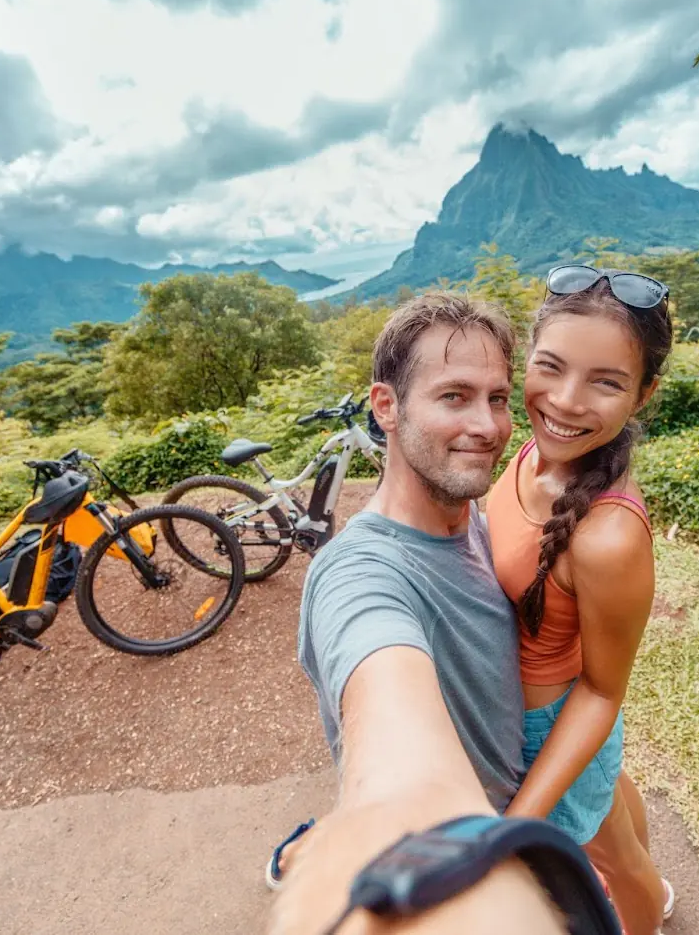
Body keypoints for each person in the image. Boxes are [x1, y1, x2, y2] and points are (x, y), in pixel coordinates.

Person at [268, 292, 570, 935]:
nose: (488, 426)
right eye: (454, 396)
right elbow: (400, 761)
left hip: (511, 803)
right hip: (477, 835)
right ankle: (317, 847)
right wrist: (415, 840)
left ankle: (305, 846)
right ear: (387, 407)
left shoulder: (484, 526)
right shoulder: (359, 574)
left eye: (496, 398)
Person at [487, 265, 674, 935]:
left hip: (553, 733)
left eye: (606, 382)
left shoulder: (609, 536)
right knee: (617, 826)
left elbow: (602, 691)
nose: (565, 402)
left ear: (644, 393)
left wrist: (517, 823)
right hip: (544, 725)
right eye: (551, 368)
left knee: (615, 861)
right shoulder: (526, 452)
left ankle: (645, 918)